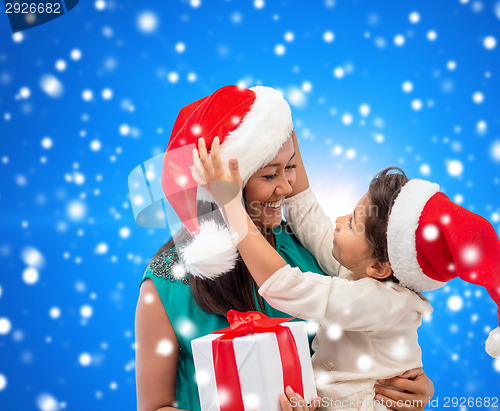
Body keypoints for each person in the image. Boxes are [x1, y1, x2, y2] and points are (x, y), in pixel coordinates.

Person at [135, 85, 435, 411]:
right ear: (222, 189)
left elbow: (369, 340)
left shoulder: (306, 250)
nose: (287, 186)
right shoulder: (167, 282)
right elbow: (155, 406)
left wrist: (405, 382)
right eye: (269, 175)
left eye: (290, 167)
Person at [193, 134, 500, 410]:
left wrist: (230, 203)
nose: (339, 220)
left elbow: (286, 286)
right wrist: (281, 125)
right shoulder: (367, 272)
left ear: (379, 267)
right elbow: (306, 211)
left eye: (352, 223)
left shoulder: (381, 301)